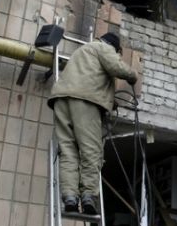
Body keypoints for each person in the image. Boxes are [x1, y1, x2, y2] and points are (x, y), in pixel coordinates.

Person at [47, 32, 138, 214]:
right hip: (83, 102)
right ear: (115, 48)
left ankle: (70, 198)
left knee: (68, 151)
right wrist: (133, 75)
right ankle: (88, 197)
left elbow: (89, 80)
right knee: (91, 151)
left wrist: (109, 101)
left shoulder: (82, 51)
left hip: (61, 100)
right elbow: (116, 67)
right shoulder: (104, 48)